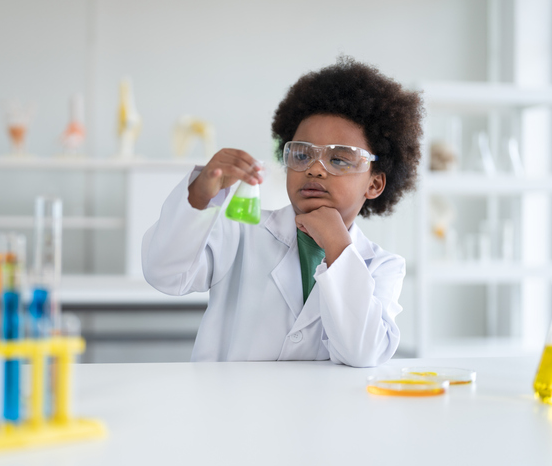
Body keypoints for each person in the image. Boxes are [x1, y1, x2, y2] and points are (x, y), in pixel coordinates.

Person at [142, 56, 423, 366]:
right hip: (225, 411)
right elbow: (164, 274)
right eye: (302, 155)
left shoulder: (382, 266)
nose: (315, 170)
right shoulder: (241, 233)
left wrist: (339, 248)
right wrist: (199, 194)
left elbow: (363, 353)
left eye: (340, 159)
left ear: (375, 183)